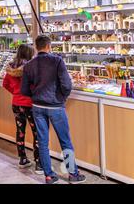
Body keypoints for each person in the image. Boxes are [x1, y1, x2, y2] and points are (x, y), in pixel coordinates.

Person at [21, 35, 86, 184]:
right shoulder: (57, 61)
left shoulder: (29, 65)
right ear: (49, 46)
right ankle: (73, 174)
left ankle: (49, 175)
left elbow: (24, 90)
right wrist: (62, 98)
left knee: (42, 141)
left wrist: (36, 95)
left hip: (37, 107)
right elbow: (67, 85)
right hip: (56, 106)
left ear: (36, 47)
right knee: (65, 141)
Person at [3, 44, 42, 174]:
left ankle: (22, 159)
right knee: (37, 133)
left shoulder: (10, 67)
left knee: (20, 131)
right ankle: (39, 163)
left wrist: (15, 92)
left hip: (16, 104)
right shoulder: (31, 68)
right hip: (30, 104)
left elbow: (5, 84)